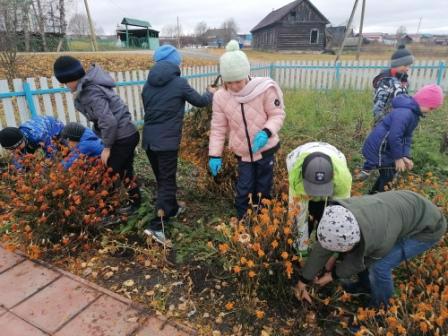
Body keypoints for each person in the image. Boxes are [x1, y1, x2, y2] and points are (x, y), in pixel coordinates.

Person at [294, 190, 446, 307]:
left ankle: (382, 309)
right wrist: (303, 281)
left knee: (379, 267)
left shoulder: (378, 239)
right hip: (401, 212)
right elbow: (324, 247)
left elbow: (360, 260)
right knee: (359, 258)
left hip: (427, 228)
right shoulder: (338, 218)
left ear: (355, 239)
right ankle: (365, 286)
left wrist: (332, 275)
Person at [141, 45, 215, 244]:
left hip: (148, 141)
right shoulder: (179, 83)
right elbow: (200, 101)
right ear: (175, 63)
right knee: (167, 182)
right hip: (166, 143)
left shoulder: (147, 85)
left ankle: (171, 208)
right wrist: (210, 93)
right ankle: (157, 226)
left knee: (162, 179)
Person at [53, 55, 141, 214]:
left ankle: (107, 210)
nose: (65, 86)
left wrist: (107, 147)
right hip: (127, 134)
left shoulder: (90, 92)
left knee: (109, 173)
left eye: (65, 82)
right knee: (125, 171)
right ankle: (135, 204)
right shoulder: (89, 87)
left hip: (122, 137)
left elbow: (109, 122)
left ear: (72, 78)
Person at [208, 40, 285, 219]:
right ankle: (243, 221)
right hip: (243, 152)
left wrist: (266, 132)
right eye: (230, 82)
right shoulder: (220, 97)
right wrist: (214, 155)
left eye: (238, 81)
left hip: (265, 149)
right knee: (243, 188)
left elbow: (277, 115)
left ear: (246, 74)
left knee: (263, 187)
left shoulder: (263, 89)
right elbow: (218, 128)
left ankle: (262, 221)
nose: (234, 86)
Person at [359, 84, 444, 193]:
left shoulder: (414, 114)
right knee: (389, 171)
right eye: (431, 107)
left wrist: (405, 155)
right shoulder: (405, 113)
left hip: (387, 146)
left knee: (390, 172)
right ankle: (377, 195)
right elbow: (394, 136)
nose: (431, 111)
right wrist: (398, 158)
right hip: (379, 146)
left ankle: (375, 193)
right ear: (424, 101)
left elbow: (407, 136)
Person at [286, 142, 352, 253]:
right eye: (313, 189)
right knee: (306, 217)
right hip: (300, 164)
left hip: (335, 167)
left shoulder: (342, 179)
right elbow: (299, 215)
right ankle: (303, 245)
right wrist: (302, 249)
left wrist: (335, 246)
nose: (316, 194)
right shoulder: (296, 176)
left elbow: (340, 213)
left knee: (327, 215)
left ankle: (323, 245)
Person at [372, 44, 414, 124]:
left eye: (409, 65)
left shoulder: (404, 80)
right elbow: (379, 105)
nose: (407, 69)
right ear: (396, 65)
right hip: (386, 122)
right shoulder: (386, 81)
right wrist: (382, 123)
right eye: (405, 65)